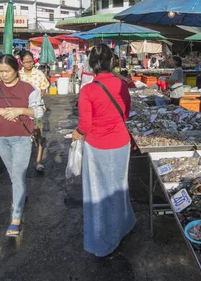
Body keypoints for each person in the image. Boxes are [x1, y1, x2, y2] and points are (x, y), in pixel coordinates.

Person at [72, 44, 135, 257]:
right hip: (121, 143)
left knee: (98, 195)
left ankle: (103, 242)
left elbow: (85, 126)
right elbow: (126, 114)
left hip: (97, 146)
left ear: (91, 65)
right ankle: (123, 227)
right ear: (112, 62)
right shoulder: (122, 85)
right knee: (119, 186)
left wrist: (76, 133)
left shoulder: (88, 90)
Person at [0, 55, 44, 237]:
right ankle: (21, 194)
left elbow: (38, 111)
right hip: (1, 137)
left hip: (22, 136)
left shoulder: (28, 89)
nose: (4, 75)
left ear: (16, 69)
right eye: (0, 72)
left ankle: (16, 219)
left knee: (17, 174)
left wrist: (20, 110)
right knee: (14, 174)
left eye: (7, 71)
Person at [18, 51, 49, 173]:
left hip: (37, 109)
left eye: (31, 61)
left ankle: (38, 162)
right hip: (22, 110)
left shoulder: (39, 73)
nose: (29, 64)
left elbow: (43, 89)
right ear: (21, 62)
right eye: (26, 62)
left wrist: (37, 100)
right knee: (23, 135)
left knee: (38, 134)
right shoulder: (18, 75)